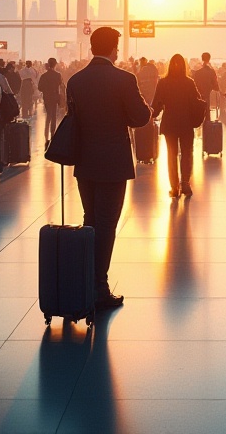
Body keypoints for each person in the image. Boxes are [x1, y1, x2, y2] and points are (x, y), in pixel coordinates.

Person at [66, 26, 152, 309]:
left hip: (85, 160)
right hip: (114, 161)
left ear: (91, 47)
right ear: (113, 48)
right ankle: (99, 287)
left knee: (90, 218)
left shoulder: (76, 81)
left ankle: (83, 280)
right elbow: (140, 118)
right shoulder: (125, 79)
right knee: (107, 223)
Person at [151, 53, 206, 197]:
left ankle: (174, 187)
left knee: (171, 154)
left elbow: (156, 104)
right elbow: (197, 100)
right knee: (187, 153)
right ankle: (185, 184)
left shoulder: (163, 82)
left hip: (170, 122)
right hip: (186, 122)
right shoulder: (189, 82)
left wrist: (151, 115)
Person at [37, 58, 64, 141]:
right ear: (55, 64)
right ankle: (52, 133)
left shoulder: (44, 76)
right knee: (54, 115)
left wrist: (46, 90)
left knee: (48, 114)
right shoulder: (58, 75)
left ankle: (46, 134)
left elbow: (40, 87)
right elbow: (61, 85)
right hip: (55, 97)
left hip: (47, 97)